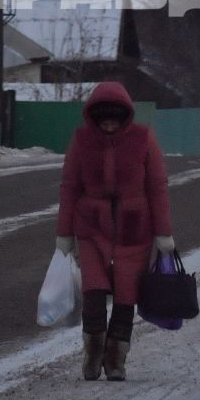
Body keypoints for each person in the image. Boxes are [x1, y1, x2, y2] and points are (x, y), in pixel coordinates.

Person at [55, 80, 174, 381]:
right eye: (103, 120)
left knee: (126, 295)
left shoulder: (143, 139)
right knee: (92, 290)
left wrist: (163, 233)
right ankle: (93, 352)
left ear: (125, 117)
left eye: (114, 120)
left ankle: (116, 358)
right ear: (93, 117)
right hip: (92, 227)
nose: (108, 126)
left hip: (135, 229)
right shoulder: (82, 141)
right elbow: (69, 187)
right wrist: (64, 233)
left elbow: (157, 188)